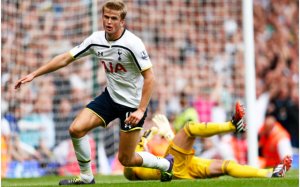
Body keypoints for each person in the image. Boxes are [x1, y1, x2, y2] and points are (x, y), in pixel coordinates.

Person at [14, 0, 173, 185]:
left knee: (126, 160)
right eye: (106, 17)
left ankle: (165, 164)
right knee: (76, 128)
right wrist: (34, 74)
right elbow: (66, 58)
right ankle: (86, 177)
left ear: (123, 22)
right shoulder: (96, 39)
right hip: (111, 97)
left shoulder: (133, 44)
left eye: (114, 18)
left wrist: (141, 109)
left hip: (133, 105)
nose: (109, 22)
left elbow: (150, 77)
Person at [124, 102, 292, 180]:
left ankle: (271, 174)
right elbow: (131, 171)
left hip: (187, 165)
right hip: (175, 169)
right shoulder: (133, 158)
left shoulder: (151, 139)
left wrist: (167, 135)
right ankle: (233, 125)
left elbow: (174, 154)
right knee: (189, 128)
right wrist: (142, 146)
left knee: (227, 166)